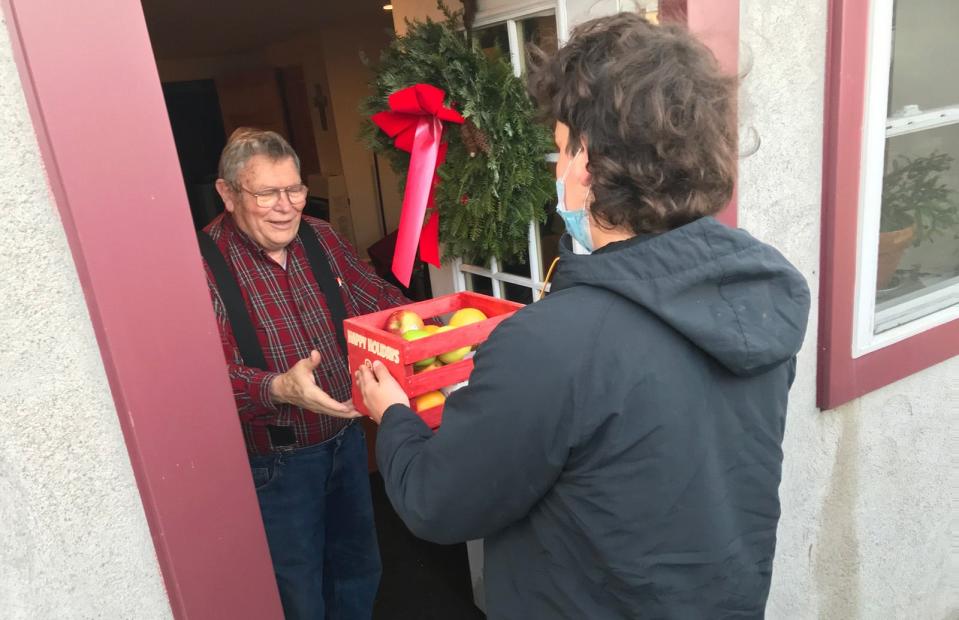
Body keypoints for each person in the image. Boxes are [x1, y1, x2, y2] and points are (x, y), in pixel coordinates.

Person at [356, 13, 810, 619]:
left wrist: (393, 418)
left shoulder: (550, 345)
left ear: (588, 163)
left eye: (563, 146)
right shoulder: (754, 293)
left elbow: (439, 502)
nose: (558, 167)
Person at [203, 128, 408, 619]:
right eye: (267, 193)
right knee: (298, 591)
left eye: (294, 189)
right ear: (228, 194)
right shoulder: (201, 264)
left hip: (348, 440)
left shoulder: (322, 237)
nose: (286, 206)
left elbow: (376, 303)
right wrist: (278, 387)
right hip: (277, 464)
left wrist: (433, 328)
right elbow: (205, 381)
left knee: (359, 569)